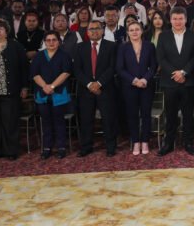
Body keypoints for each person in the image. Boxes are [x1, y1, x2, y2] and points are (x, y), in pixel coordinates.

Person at [156, 7, 194, 157]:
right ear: (170, 20)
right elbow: (161, 58)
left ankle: (188, 142)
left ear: (186, 19)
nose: (178, 21)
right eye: (175, 18)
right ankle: (169, 143)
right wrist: (175, 73)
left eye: (181, 18)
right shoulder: (163, 36)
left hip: (188, 82)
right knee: (171, 114)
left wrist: (183, 72)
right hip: (169, 82)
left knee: (188, 114)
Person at [0, 19, 29, 161]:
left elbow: (24, 68)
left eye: (1, 28)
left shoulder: (16, 47)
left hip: (10, 91)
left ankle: (11, 150)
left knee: (10, 122)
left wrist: (24, 86)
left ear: (6, 32)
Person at [74, 20, 118, 157]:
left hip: (105, 88)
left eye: (97, 28)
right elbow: (77, 70)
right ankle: (86, 146)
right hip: (86, 90)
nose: (94, 31)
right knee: (86, 119)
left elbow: (112, 68)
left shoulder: (112, 46)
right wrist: (90, 84)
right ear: (87, 32)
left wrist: (98, 83)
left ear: (102, 30)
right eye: (91, 29)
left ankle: (110, 146)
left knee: (108, 119)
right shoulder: (80, 47)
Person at [116, 21, 157, 156]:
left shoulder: (149, 46)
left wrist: (144, 79)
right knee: (132, 115)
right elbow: (120, 69)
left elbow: (153, 66)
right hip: (129, 86)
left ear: (141, 31)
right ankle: (135, 141)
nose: (134, 32)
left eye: (137, 29)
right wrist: (134, 80)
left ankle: (145, 140)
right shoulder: (123, 47)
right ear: (127, 32)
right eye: (131, 30)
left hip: (146, 85)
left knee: (146, 114)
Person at [31, 31, 73, 160]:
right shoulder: (38, 56)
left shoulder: (64, 55)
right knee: (46, 122)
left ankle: (61, 147)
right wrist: (45, 87)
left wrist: (52, 86)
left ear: (58, 42)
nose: (51, 42)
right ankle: (47, 148)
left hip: (59, 93)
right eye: (48, 40)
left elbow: (66, 73)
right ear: (44, 42)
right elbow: (34, 74)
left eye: (54, 40)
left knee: (59, 121)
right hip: (42, 94)